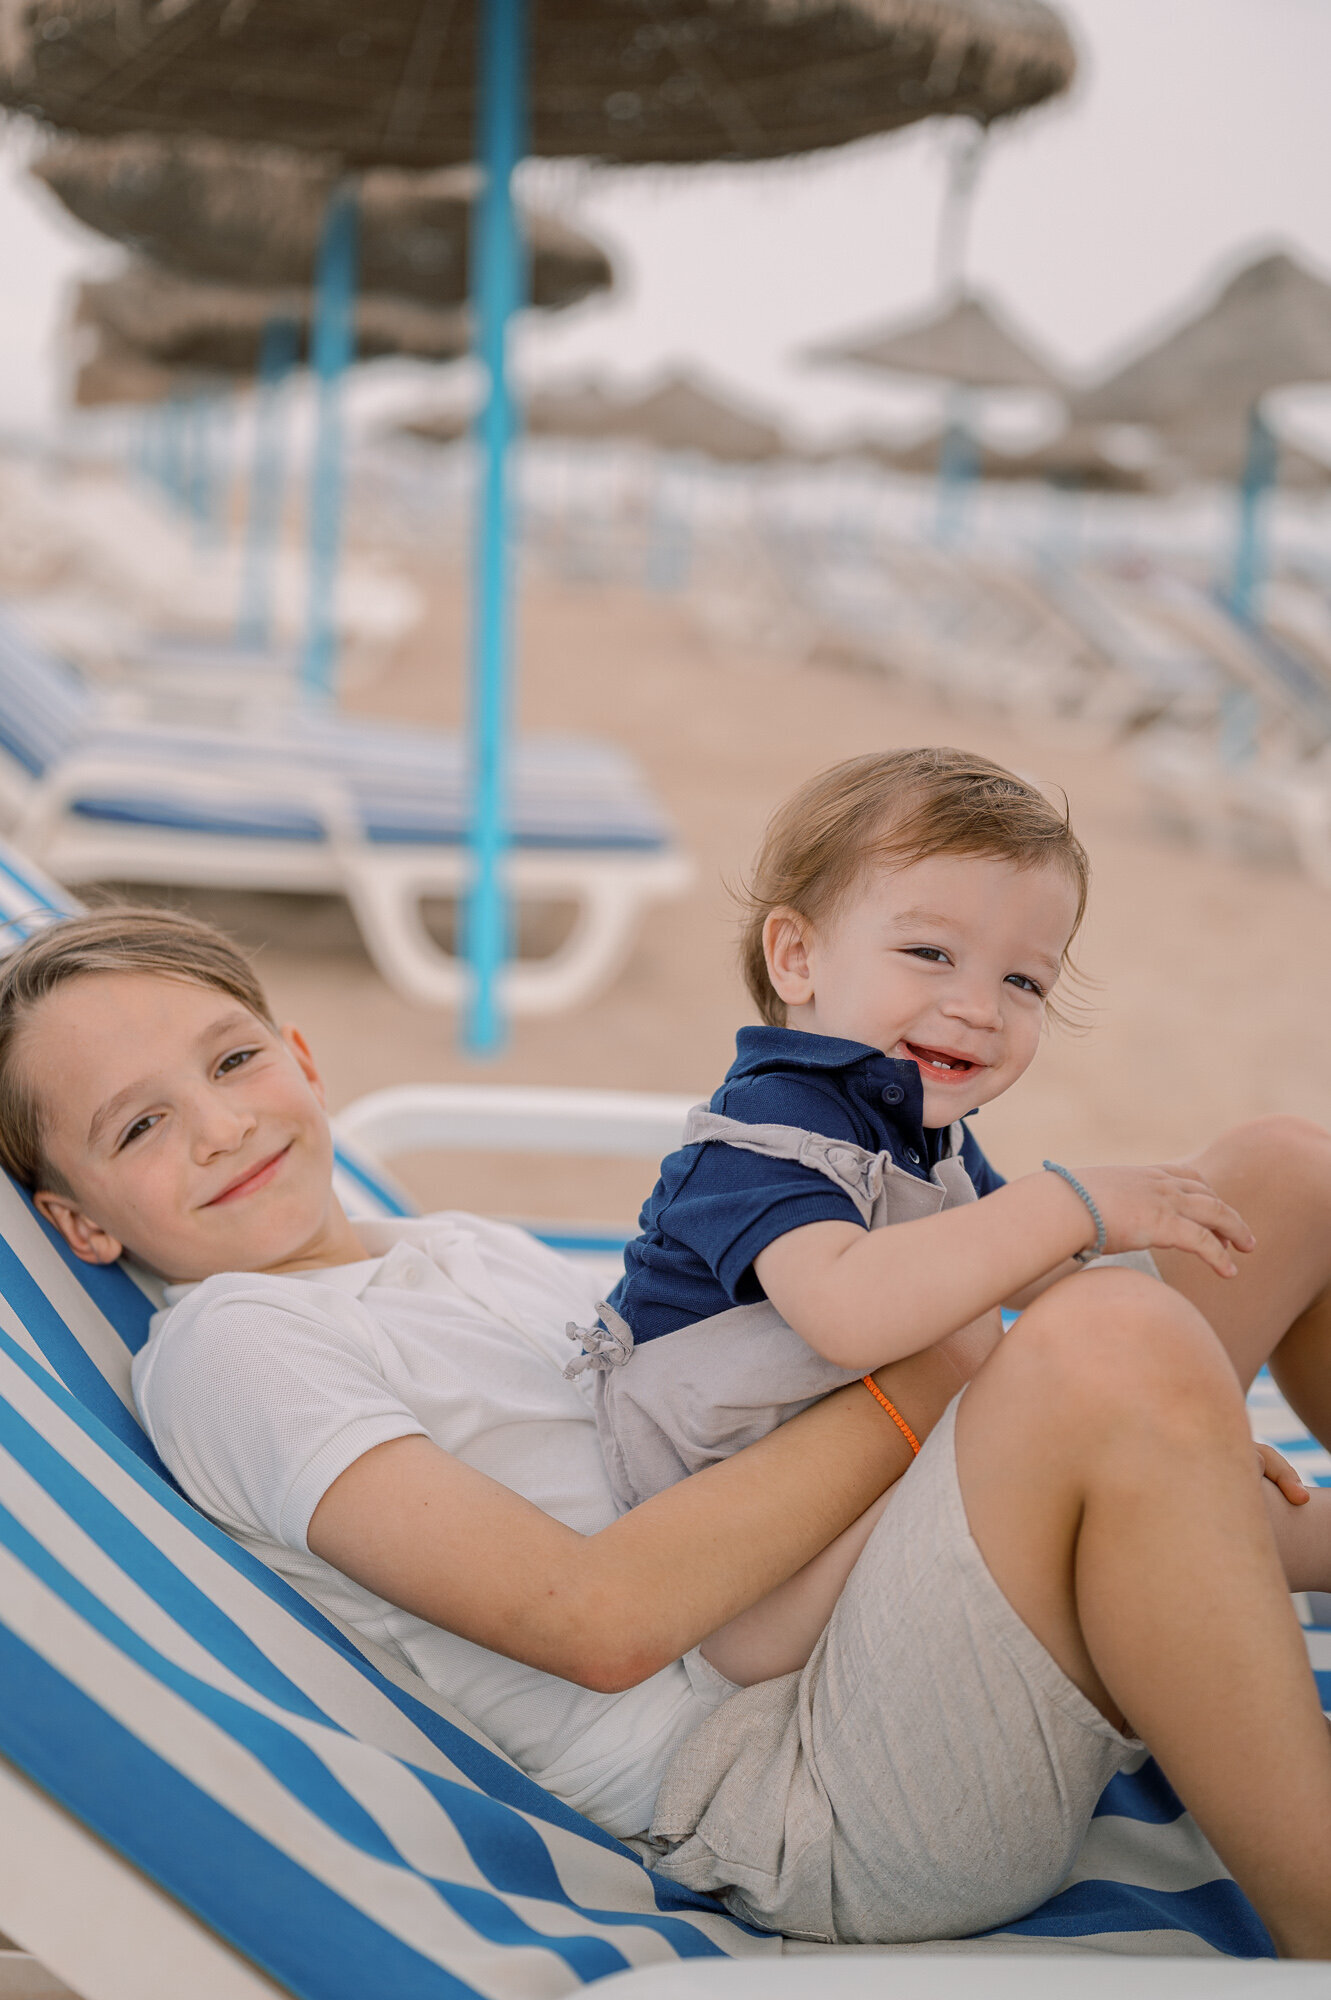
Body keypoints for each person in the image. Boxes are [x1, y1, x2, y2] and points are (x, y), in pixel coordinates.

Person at [2, 903, 1330, 1956]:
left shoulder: (450, 1247)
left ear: (302, 1058)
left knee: (1284, 1178)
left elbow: (698, 1411)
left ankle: (1202, 1520)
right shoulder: (238, 1347)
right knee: (1113, 1339)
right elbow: (597, 1619)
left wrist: (968, 1381)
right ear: (84, 1224)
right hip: (804, 1786)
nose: (223, 1125)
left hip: (848, 1619)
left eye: (231, 1059)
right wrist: (935, 1379)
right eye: (143, 1126)